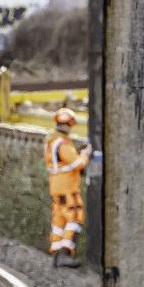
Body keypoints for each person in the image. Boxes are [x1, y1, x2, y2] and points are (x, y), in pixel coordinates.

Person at [45, 107, 92, 267]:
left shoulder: (51, 142)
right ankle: (65, 252)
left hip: (56, 186)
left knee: (59, 219)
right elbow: (78, 164)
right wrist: (86, 154)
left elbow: (64, 162)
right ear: (67, 124)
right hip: (67, 187)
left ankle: (57, 254)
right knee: (75, 216)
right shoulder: (63, 143)